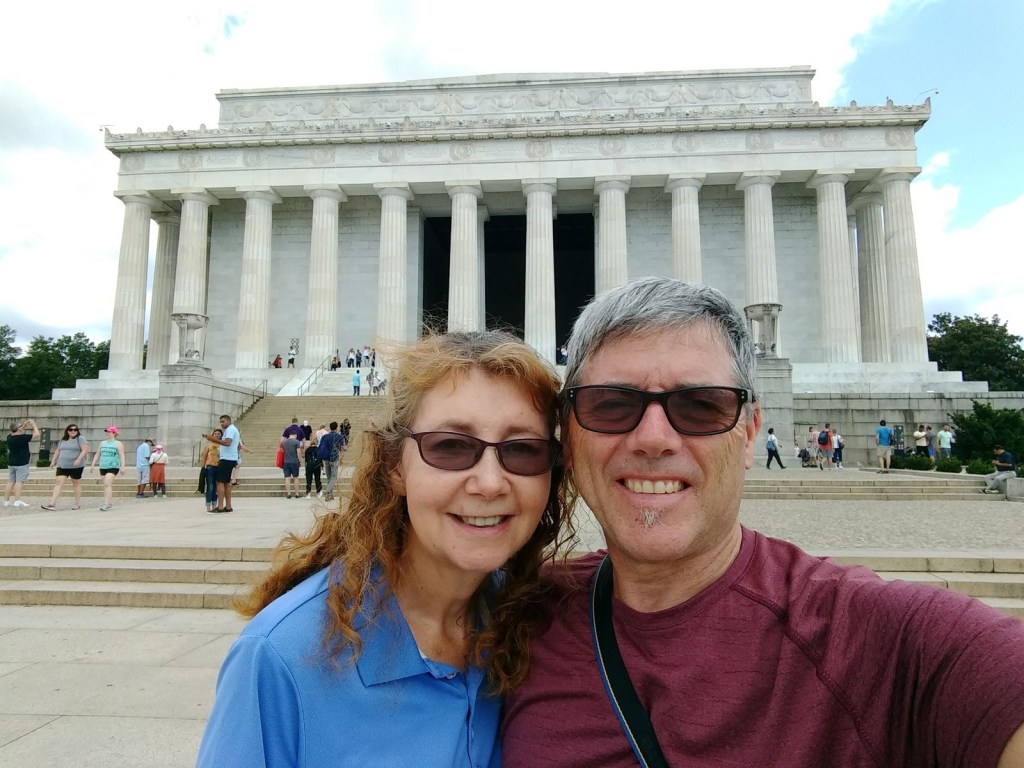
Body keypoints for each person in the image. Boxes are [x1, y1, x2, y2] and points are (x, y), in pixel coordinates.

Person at [500, 277, 1024, 767]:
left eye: (701, 406)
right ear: (568, 435)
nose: (653, 438)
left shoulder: (877, 641)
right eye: (611, 405)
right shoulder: (515, 622)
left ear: (749, 433)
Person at [197, 330, 574, 767]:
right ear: (394, 466)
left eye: (523, 449)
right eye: (450, 446)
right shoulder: (281, 658)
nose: (490, 483)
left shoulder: (534, 626)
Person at [43, 424, 89, 510]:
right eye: (71, 430)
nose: (73, 431)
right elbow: (58, 450)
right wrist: (53, 461)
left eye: (75, 430)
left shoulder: (80, 438)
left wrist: (79, 459)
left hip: (76, 466)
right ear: (67, 431)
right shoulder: (63, 439)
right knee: (58, 483)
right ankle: (52, 503)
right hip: (62, 465)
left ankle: (77, 503)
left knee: (76, 483)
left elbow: (85, 450)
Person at [203, 415, 240, 513]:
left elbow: (228, 443)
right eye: (221, 422)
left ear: (228, 420)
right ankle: (228, 506)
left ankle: (220, 507)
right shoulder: (232, 430)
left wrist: (212, 439)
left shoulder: (230, 430)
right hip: (230, 458)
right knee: (227, 483)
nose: (221, 424)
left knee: (220, 482)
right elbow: (238, 445)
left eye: (223, 421)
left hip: (226, 459)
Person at [4, 418, 39, 508]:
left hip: (12, 463)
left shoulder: (9, 437)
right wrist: (33, 424)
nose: (22, 427)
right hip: (21, 463)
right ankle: (17, 500)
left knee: (11, 481)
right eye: (20, 426)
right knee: (19, 482)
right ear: (18, 429)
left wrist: (23, 425)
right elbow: (37, 434)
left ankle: (6, 501)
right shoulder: (23, 438)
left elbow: (17, 430)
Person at [90, 426, 125, 512]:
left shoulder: (118, 444)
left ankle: (106, 503)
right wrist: (93, 464)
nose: (108, 433)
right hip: (103, 466)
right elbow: (97, 454)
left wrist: (122, 466)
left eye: (109, 432)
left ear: (114, 433)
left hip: (113, 466)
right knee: (106, 485)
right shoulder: (102, 443)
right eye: (107, 432)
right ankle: (109, 502)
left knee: (107, 483)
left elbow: (121, 455)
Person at [318, 420, 345, 502]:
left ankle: (330, 495)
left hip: (326, 459)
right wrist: (341, 458)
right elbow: (342, 448)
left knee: (329, 477)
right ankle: (328, 491)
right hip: (335, 458)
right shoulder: (339, 436)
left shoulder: (325, 436)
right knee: (334, 477)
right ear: (337, 428)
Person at [200, 430, 221, 513]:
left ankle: (215, 505)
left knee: (216, 487)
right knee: (210, 486)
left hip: (219, 467)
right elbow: (204, 457)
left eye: (218, 434)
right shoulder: (208, 445)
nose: (216, 435)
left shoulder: (222, 445)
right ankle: (208, 505)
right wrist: (202, 468)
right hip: (210, 467)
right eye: (215, 434)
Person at [280, 432, 303, 499]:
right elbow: (298, 452)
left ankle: (289, 494)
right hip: (294, 462)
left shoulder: (284, 442)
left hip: (286, 462)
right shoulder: (296, 442)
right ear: (295, 435)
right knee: (295, 477)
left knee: (287, 478)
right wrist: (300, 461)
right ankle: (296, 494)